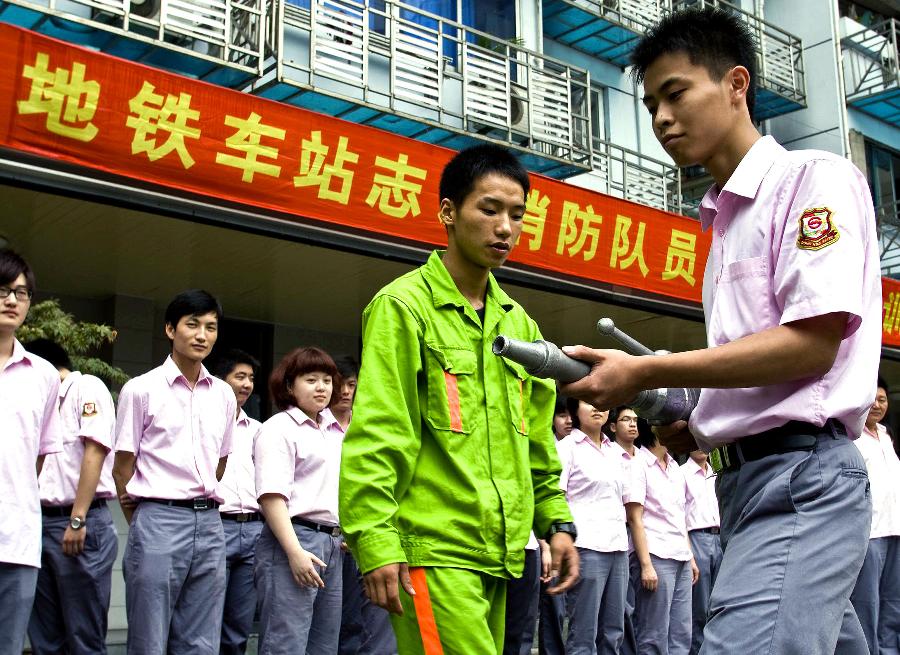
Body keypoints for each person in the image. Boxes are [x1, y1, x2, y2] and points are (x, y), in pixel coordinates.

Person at [561, 6, 880, 653]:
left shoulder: (811, 182)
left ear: (736, 84)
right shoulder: (722, 223)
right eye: (650, 104)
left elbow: (812, 344)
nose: (661, 119)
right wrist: (694, 419)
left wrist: (650, 369)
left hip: (801, 479)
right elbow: (750, 366)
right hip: (745, 485)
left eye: (675, 93)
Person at [339, 144, 578, 654]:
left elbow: (536, 438)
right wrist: (376, 538)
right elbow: (381, 429)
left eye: (517, 215)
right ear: (448, 212)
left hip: (503, 553)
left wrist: (555, 521)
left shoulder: (520, 325)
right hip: (432, 549)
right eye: (488, 210)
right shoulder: (402, 307)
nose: (505, 228)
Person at [113, 289, 236, 654]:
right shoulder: (141, 390)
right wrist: (142, 518)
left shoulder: (224, 395)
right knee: (149, 636)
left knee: (202, 639)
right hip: (158, 520)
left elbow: (222, 460)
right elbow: (122, 467)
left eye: (211, 327)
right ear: (170, 329)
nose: (202, 335)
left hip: (212, 523)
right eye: (193, 324)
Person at [25, 339, 118, 655]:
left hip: (80, 521)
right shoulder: (41, 402)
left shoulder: (85, 388)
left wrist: (78, 518)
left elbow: (96, 450)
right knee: (45, 638)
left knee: (84, 636)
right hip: (40, 523)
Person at [253, 347, 345, 654]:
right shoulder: (278, 428)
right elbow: (271, 496)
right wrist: (294, 552)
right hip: (294, 539)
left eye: (327, 380)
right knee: (285, 643)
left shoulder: (335, 430)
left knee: (325, 644)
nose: (321, 387)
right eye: (310, 379)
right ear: (290, 386)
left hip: (332, 543)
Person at [0, 250, 63, 655]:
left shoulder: (42, 375)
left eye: (21, 293)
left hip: (17, 539)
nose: (11, 301)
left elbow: (39, 457)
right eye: (3, 290)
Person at [336, 354, 398, 655]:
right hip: (332, 542)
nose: (346, 391)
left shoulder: (371, 427)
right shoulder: (316, 429)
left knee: (375, 628)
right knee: (342, 627)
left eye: (352, 384)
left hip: (372, 541)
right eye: (341, 384)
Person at [560, 399, 630, 655]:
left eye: (603, 403)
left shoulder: (615, 451)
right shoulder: (567, 447)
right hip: (585, 547)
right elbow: (556, 496)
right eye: (588, 403)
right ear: (575, 409)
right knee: (583, 634)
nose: (597, 408)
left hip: (619, 548)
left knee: (613, 632)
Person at [625, 417, 697, 655]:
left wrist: (691, 558)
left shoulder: (675, 467)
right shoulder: (638, 464)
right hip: (656, 556)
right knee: (653, 636)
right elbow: (635, 518)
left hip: (681, 557)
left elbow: (680, 515)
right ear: (655, 426)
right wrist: (645, 565)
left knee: (682, 632)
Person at [213, 349, 264, 655]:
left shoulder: (260, 430)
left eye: (251, 378)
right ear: (221, 380)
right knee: (204, 618)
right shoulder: (205, 422)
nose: (247, 384)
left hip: (254, 531)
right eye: (239, 377)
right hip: (216, 526)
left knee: (239, 626)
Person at [850, 379, 900, 654]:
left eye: (883, 399)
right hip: (869, 533)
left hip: (895, 529)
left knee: (893, 603)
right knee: (867, 604)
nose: (878, 405)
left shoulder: (887, 434)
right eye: (873, 399)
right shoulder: (852, 435)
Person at [538, 394, 573, 655]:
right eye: (561, 415)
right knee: (550, 613)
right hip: (542, 541)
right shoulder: (562, 448)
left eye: (569, 415)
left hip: (560, 538)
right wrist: (546, 543)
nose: (568, 421)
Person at [679, 450, 721, 655]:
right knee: (700, 607)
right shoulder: (682, 473)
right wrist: (689, 553)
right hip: (697, 538)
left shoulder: (716, 472)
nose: (700, 446)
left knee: (720, 602)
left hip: (720, 537)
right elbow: (678, 514)